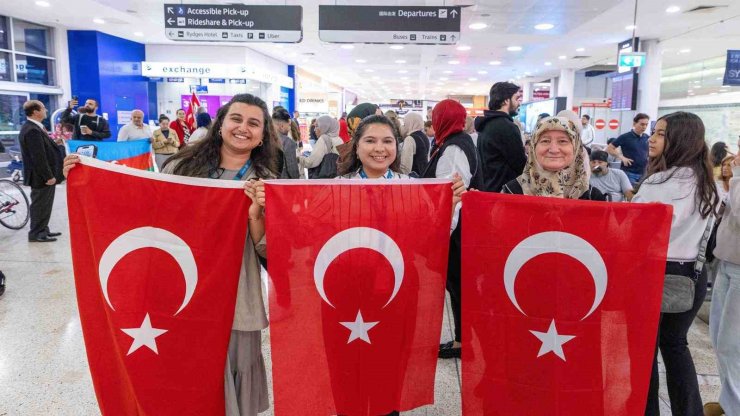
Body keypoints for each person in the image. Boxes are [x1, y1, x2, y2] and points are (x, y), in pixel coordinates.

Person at [63, 93, 278, 416]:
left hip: (236, 301)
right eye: (236, 119)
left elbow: (270, 250)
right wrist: (87, 179)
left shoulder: (266, 184)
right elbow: (144, 212)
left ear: (263, 135)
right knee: (186, 380)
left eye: (253, 123)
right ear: (221, 125)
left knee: (232, 387)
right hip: (184, 296)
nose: (243, 128)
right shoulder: (182, 167)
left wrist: (255, 214)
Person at [632, 112, 719, 416]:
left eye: (660, 134)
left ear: (679, 139)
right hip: (692, 276)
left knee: (645, 351)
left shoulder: (658, 183)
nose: (652, 139)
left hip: (655, 273)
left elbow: (633, 231)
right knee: (676, 346)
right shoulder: (708, 183)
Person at [421, 99, 481, 360]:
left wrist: (441, 235)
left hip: (456, 230)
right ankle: (461, 338)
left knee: (458, 284)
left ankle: (462, 341)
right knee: (457, 284)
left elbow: (451, 196)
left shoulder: (454, 148)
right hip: (460, 228)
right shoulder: (452, 142)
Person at [705, 153, 740, 416]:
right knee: (719, 338)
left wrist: (737, 176)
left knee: (731, 343)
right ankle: (728, 402)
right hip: (726, 260)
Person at [501, 116, 606, 201]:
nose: (554, 149)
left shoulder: (592, 197)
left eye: (563, 141)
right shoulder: (511, 192)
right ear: (533, 148)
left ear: (576, 148)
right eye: (545, 141)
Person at [19, 100, 63, 242]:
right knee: (40, 205)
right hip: (41, 177)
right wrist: (48, 176)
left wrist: (55, 144)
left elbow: (42, 149)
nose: (46, 110)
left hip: (43, 176)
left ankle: (43, 230)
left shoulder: (36, 127)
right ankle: (36, 233)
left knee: (45, 205)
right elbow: (38, 157)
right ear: (36, 112)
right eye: (43, 108)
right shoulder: (32, 130)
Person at [476, 81, 526, 193]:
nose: (519, 103)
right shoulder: (506, 127)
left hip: (489, 188)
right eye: (516, 98)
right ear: (506, 100)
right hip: (504, 192)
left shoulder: (486, 124)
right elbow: (520, 164)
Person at [607, 113, 650, 185]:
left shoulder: (647, 137)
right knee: (630, 194)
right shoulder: (625, 137)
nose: (644, 127)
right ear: (634, 123)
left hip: (644, 173)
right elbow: (610, 148)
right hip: (629, 172)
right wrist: (622, 157)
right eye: (642, 124)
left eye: (646, 124)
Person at [398, 112, 430, 176]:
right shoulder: (425, 137)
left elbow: (405, 167)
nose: (404, 126)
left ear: (410, 123)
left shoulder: (410, 139)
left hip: (413, 179)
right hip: (423, 176)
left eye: (405, 124)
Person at [271, 107, 299, 179]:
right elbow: (292, 169)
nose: (289, 128)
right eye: (289, 125)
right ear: (282, 126)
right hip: (283, 182)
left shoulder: (263, 139)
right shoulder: (288, 142)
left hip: (266, 181)